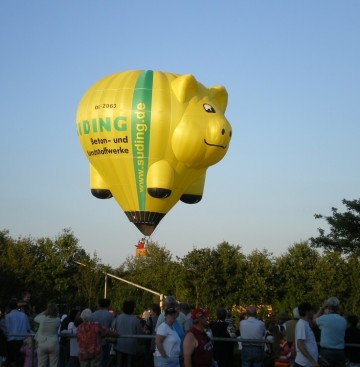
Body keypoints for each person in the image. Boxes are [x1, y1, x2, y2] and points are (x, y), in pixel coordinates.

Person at [314, 297, 346, 367]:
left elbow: (312, 319)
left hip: (326, 352)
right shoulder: (343, 320)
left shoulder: (324, 318)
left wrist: (322, 308)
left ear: (328, 307)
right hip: (340, 352)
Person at [113, 300, 142, 367]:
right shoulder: (136, 320)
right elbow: (139, 333)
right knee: (129, 363)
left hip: (120, 343)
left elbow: (113, 328)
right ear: (133, 308)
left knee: (119, 363)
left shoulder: (118, 318)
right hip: (131, 345)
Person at [5, 297, 31, 367]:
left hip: (11, 340)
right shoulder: (23, 315)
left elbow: (6, 329)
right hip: (22, 341)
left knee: (13, 360)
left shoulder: (7, 317)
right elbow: (28, 328)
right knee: (21, 360)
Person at [34, 303, 61, 367]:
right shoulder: (57, 320)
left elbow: (35, 318)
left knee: (41, 364)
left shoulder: (42, 319)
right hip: (53, 343)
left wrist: (45, 311)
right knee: (54, 364)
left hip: (42, 343)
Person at [294, 302, 318, 367]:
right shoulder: (302, 325)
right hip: (303, 364)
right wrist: (312, 361)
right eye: (312, 310)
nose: (313, 312)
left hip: (306, 363)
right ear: (307, 312)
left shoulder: (305, 324)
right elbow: (300, 345)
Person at [92, 299, 114, 367]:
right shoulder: (110, 315)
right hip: (106, 340)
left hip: (95, 340)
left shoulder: (94, 314)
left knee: (96, 360)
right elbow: (112, 327)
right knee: (105, 360)